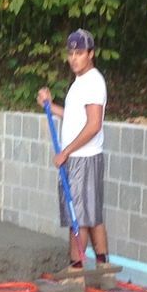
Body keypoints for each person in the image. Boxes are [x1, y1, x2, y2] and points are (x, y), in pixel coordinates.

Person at [36, 28, 110, 274]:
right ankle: (102, 266)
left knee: (78, 216)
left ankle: (76, 270)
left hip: (83, 159)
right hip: (80, 158)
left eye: (79, 53)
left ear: (91, 53)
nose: (74, 58)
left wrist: (65, 152)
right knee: (91, 214)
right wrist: (50, 106)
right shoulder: (81, 82)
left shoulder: (93, 82)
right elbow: (75, 118)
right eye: (71, 53)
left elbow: (93, 124)